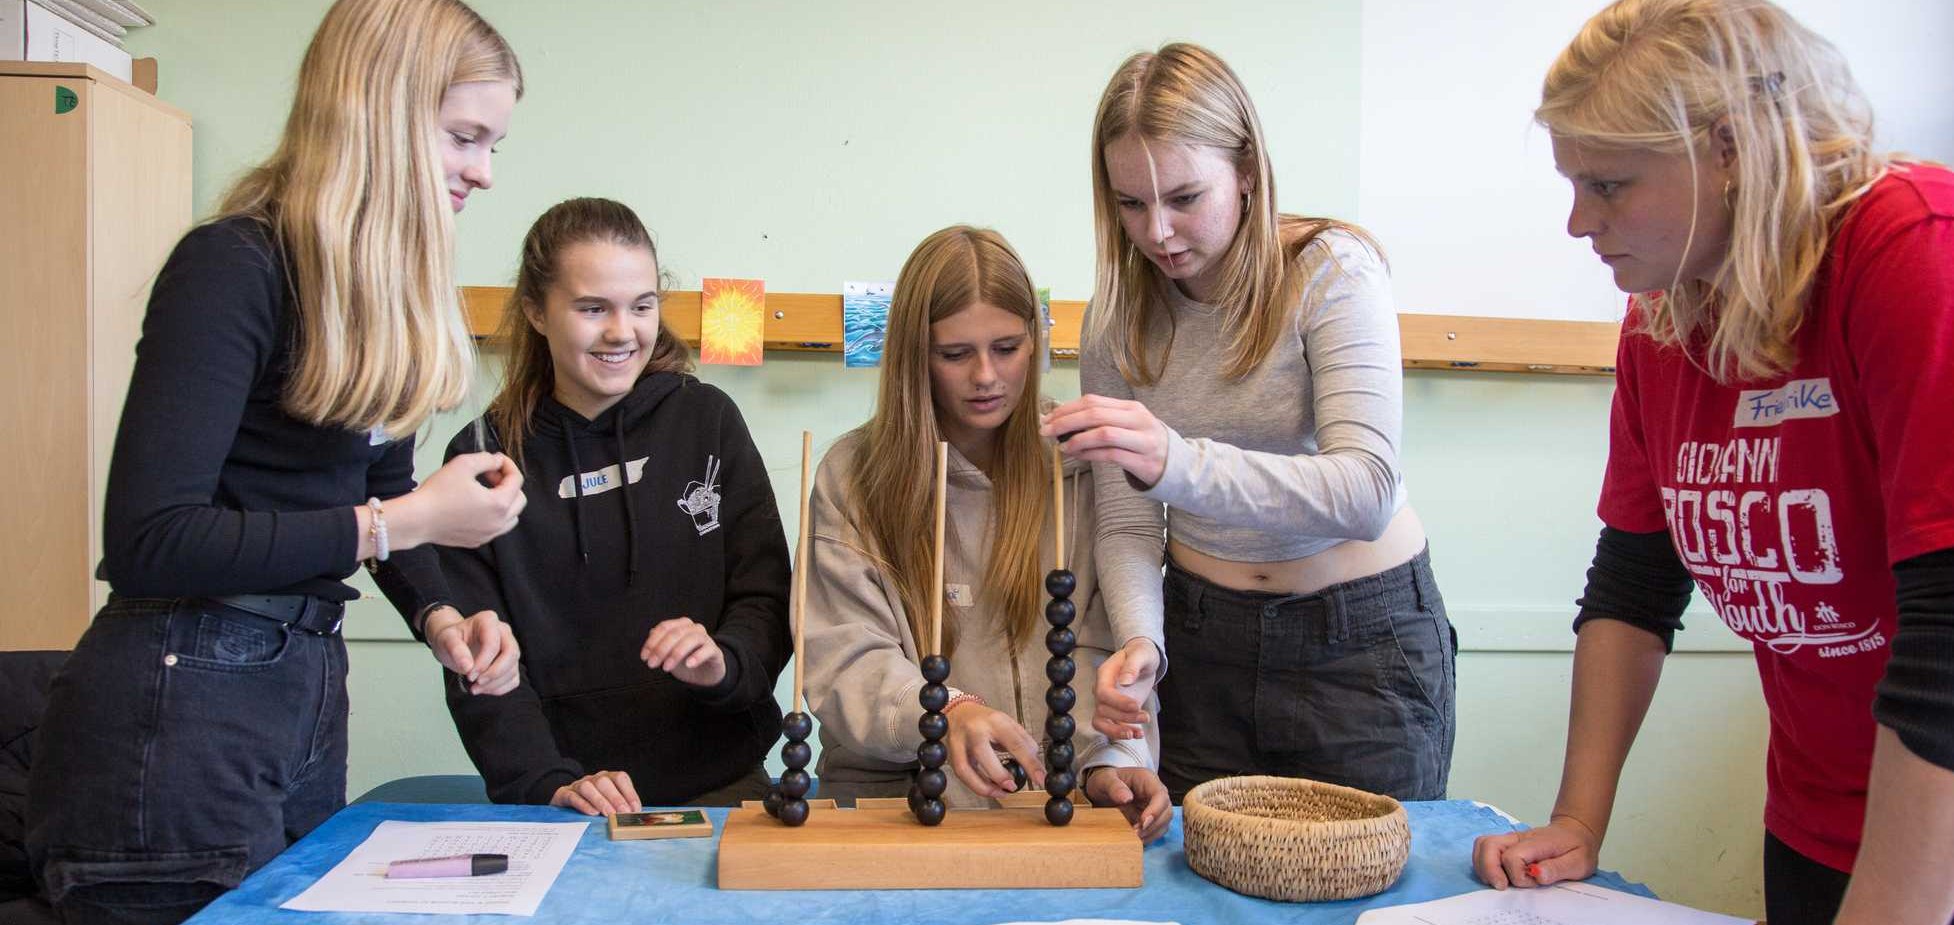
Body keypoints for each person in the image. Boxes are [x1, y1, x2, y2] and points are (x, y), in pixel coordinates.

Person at [25, 1, 526, 921]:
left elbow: (372, 489)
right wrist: (406, 521)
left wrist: (443, 611)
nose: (483, 172)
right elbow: (152, 539)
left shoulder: (362, 298)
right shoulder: (233, 267)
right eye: (464, 137)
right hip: (178, 717)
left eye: (493, 144)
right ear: (381, 111)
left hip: (297, 696)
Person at [1468, 3, 1954, 923]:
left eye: (1608, 184)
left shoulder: (1910, 249)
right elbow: (1634, 585)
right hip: (1815, 816)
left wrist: (1891, 900)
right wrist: (1578, 817)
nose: (1580, 222)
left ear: (1729, 150)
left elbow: (1946, 622)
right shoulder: (1663, 321)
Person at [1043, 42, 1455, 802]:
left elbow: (1365, 490)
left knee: (1366, 905)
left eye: (1185, 198)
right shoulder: (1117, 318)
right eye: (1131, 204)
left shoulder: (1332, 271)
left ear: (1247, 171)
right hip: (1205, 643)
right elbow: (1130, 526)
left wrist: (1175, 462)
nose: (1158, 232)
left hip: (1360, 650)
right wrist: (1143, 641)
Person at [803, 225, 1171, 840]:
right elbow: (844, 659)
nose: (986, 376)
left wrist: (1113, 761)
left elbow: (1115, 650)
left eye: (1007, 347)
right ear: (914, 355)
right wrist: (945, 713)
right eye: (955, 354)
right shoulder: (853, 477)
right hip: (894, 806)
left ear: (1037, 340)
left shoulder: (1082, 465)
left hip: (1057, 804)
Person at [436, 197, 792, 814]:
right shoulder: (482, 460)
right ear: (535, 312)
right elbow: (477, 659)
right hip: (563, 801)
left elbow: (764, 597)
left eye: (642, 306)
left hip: (722, 787)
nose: (621, 331)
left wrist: (722, 664)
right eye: (592, 308)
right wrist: (547, 781)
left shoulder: (708, 421)